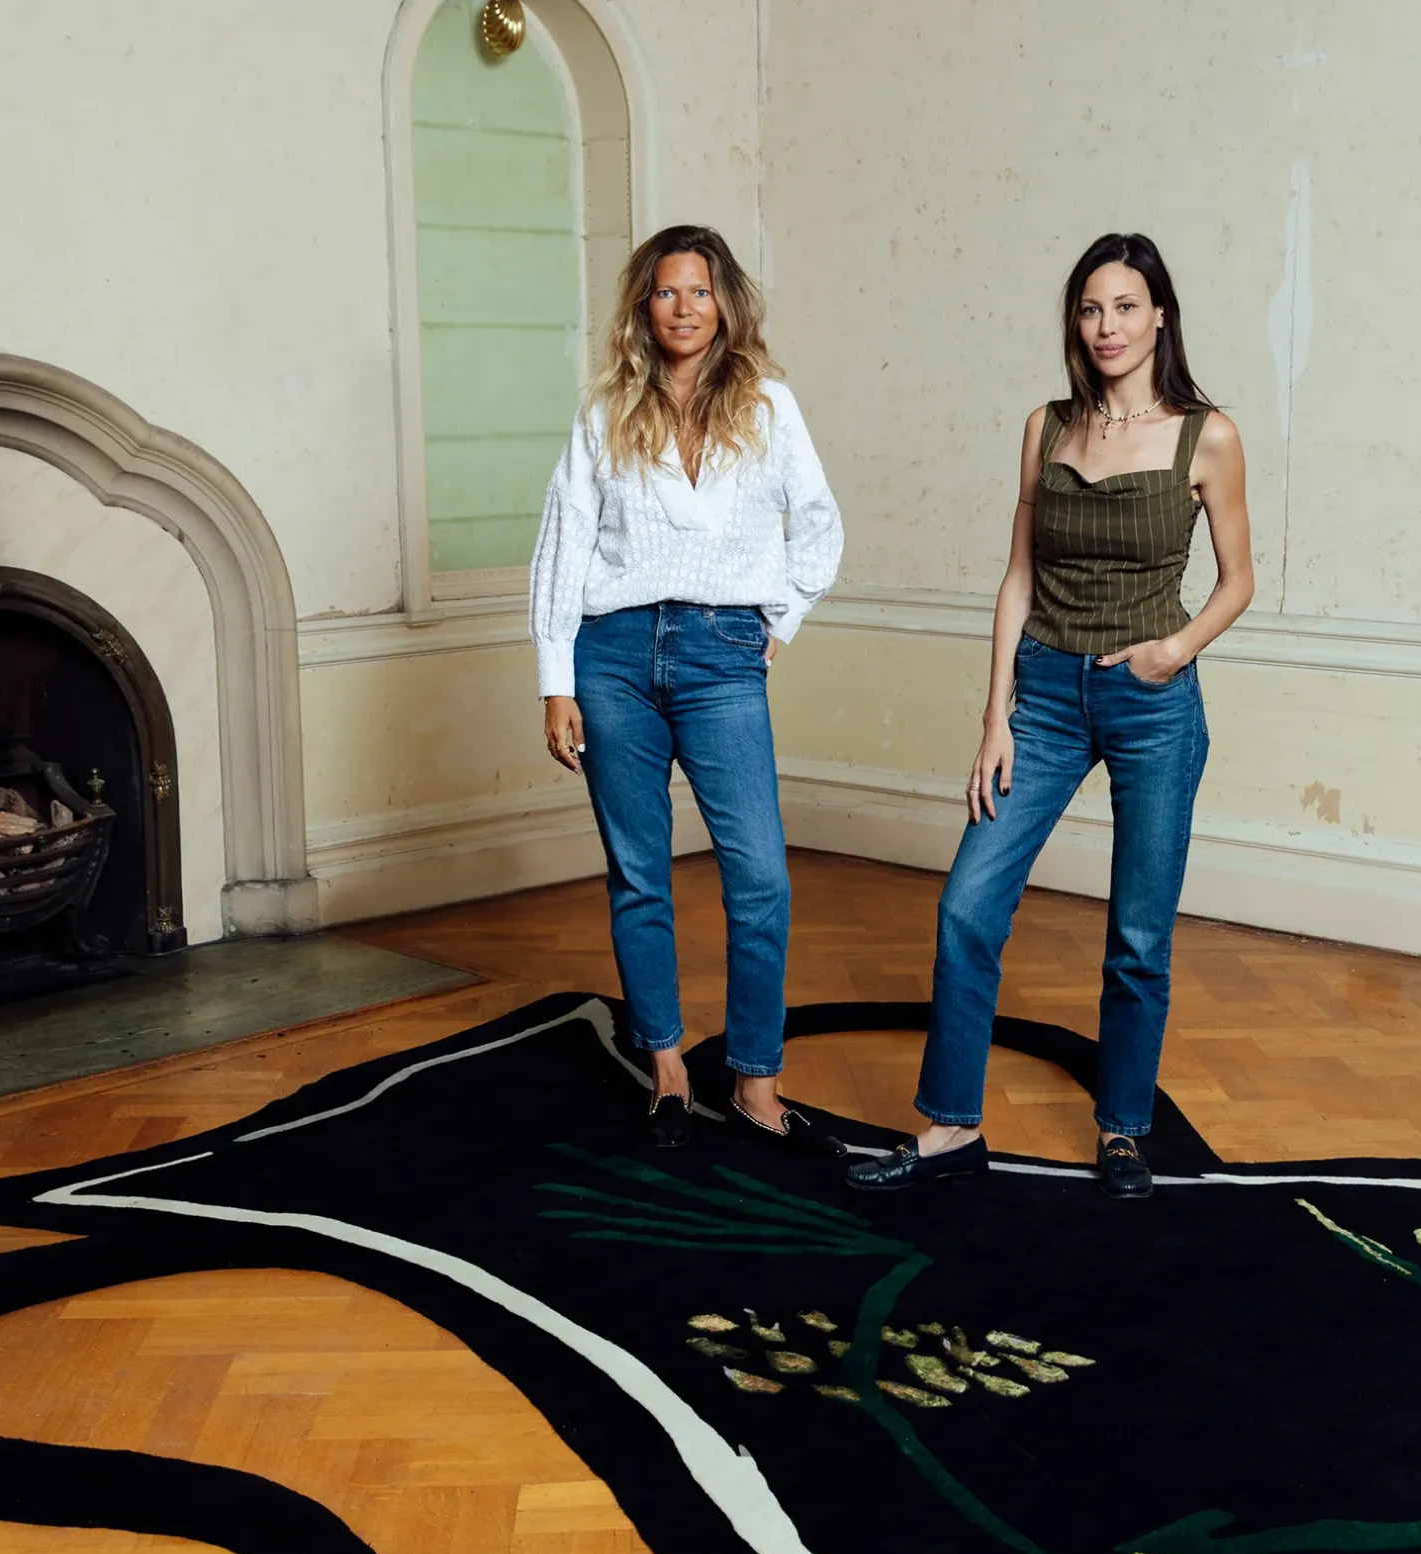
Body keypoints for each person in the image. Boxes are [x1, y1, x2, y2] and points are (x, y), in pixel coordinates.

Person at [846, 232, 1252, 1200]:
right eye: (1090, 308)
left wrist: (1172, 651)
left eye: (1125, 306)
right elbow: (1017, 577)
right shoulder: (1046, 426)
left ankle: (1122, 1130)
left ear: (1159, 316)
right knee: (966, 905)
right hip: (1046, 697)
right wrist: (995, 717)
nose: (1106, 326)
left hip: (1152, 702)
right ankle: (951, 1126)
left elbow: (1239, 581)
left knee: (1138, 935)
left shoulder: (1207, 435)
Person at [530, 225, 843, 1150]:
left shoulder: (770, 407)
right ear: (644, 306)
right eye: (666, 291)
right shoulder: (606, 411)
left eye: (699, 291)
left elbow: (819, 527)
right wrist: (555, 679)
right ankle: (666, 1068)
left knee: (761, 878)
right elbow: (565, 540)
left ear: (724, 303)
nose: (682, 307)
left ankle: (754, 1080)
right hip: (612, 656)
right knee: (640, 873)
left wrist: (775, 623)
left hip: (721, 657)